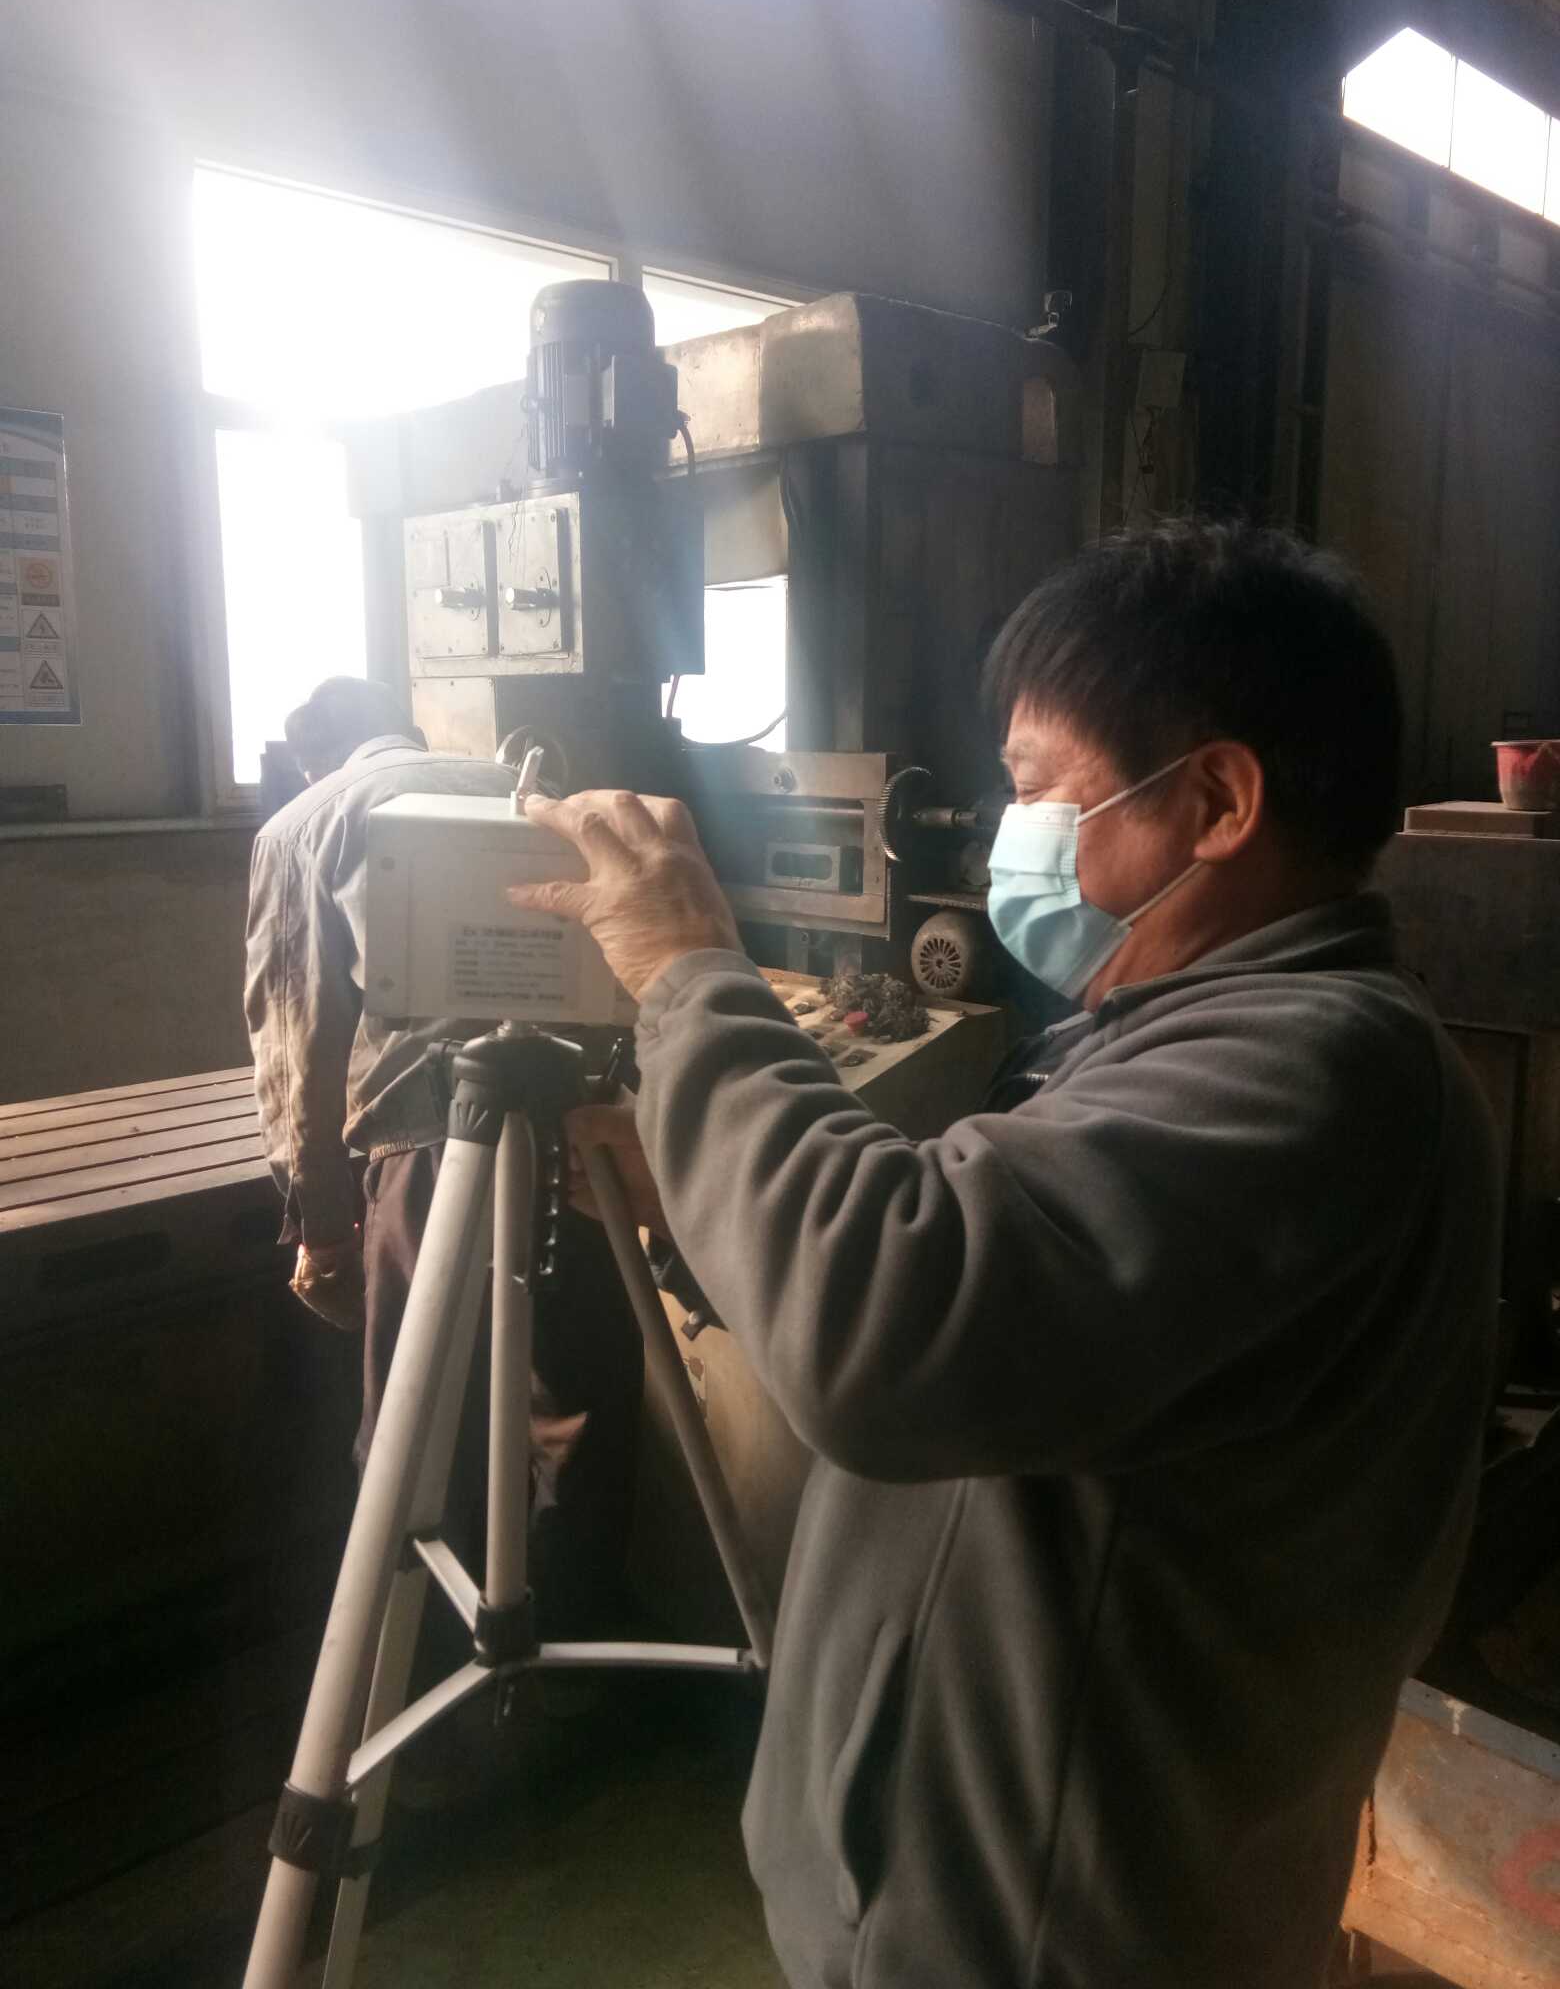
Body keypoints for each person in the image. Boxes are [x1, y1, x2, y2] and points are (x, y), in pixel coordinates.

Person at [510, 523, 1500, 1989]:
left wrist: (691, 972)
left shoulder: (1322, 1066)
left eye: (1037, 786)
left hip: (1056, 1942)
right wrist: (705, 1200)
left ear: (1218, 801)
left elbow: (888, 1325)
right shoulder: (1160, 1037)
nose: (1005, 832)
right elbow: (1011, 1321)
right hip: (978, 1911)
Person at [244, 676, 640, 1638]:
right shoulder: (520, 788)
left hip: (432, 1145)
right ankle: (577, 1660)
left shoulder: (304, 824)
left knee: (419, 1429)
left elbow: (297, 1038)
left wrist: (321, 1225)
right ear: (405, 730)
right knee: (579, 1406)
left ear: (312, 759)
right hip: (579, 1131)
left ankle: (414, 1682)